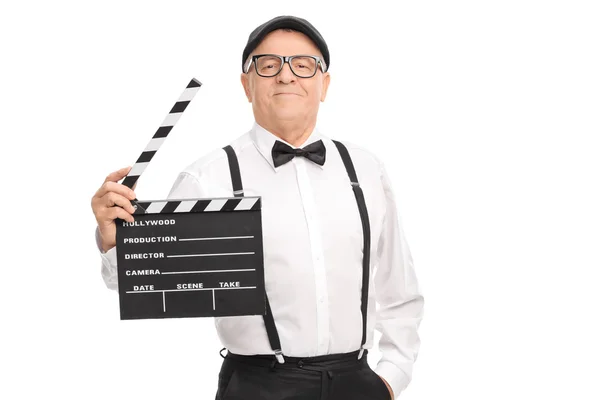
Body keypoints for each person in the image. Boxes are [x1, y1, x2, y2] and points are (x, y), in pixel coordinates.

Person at [90, 15, 424, 400]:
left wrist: (391, 377)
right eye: (268, 65)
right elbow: (137, 282)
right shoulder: (206, 178)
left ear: (324, 84)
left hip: (357, 382)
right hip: (256, 386)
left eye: (303, 64)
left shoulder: (366, 170)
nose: (286, 76)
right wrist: (115, 241)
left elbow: (400, 289)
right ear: (246, 84)